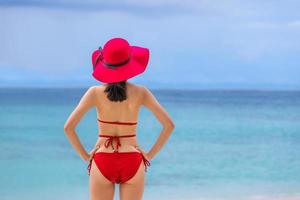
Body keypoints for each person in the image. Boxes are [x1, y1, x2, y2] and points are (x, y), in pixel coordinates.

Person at [63, 37, 175, 200]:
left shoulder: (94, 93)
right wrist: (149, 156)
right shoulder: (141, 92)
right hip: (132, 159)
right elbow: (169, 125)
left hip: (102, 159)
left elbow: (68, 128)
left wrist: (86, 157)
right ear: (130, 64)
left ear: (105, 65)